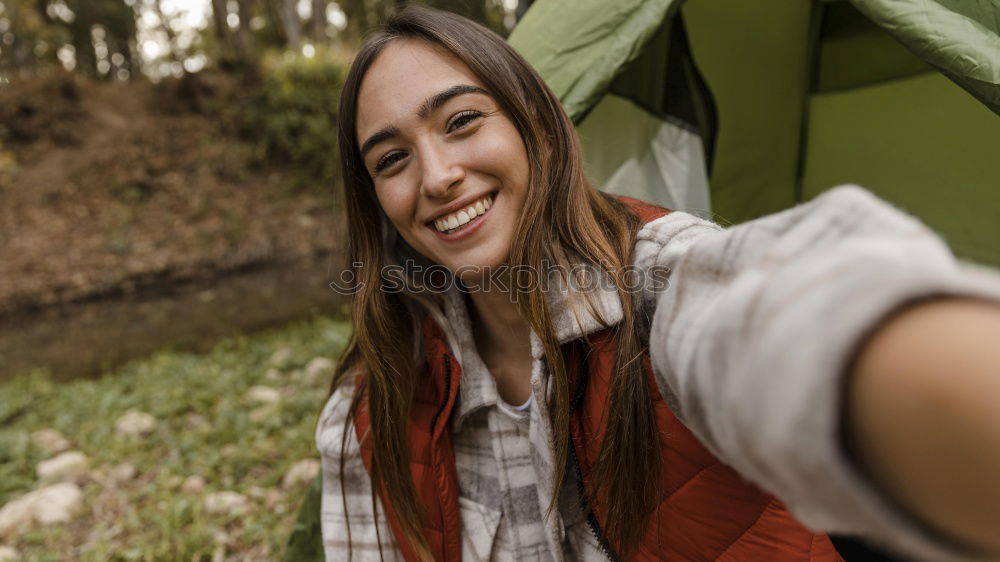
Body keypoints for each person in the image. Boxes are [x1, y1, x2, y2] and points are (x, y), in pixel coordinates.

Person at [316, 5, 1000, 561]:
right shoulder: (369, 413)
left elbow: (785, 309)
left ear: (538, 129)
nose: (436, 176)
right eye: (392, 158)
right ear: (375, 198)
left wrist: (915, 366)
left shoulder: (658, 283)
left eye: (462, 121)